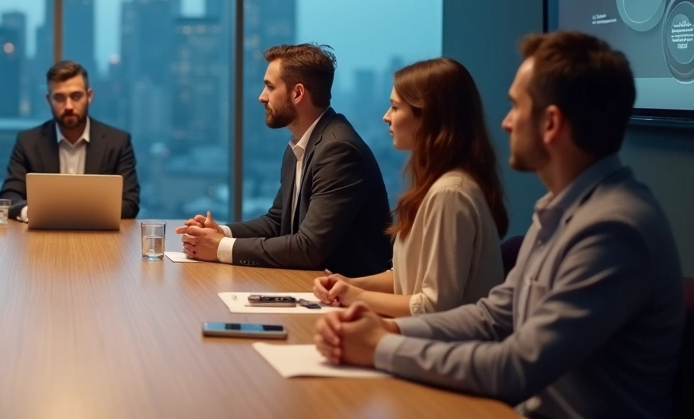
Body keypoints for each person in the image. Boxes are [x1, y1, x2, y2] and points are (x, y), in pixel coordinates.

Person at [315, 31, 684, 419]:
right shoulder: (560, 210)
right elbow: (494, 316)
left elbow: (516, 367)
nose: (506, 123)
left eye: (515, 106)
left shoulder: (613, 229)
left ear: (551, 123)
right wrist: (392, 332)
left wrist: (379, 348)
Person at [313, 57, 508, 317]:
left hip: (446, 352)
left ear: (427, 116)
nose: (386, 116)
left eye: (394, 107)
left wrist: (357, 297)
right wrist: (348, 284)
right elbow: (408, 279)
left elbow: (434, 307)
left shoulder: (450, 194)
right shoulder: (438, 186)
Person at [177, 44, 391, 276]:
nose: (262, 97)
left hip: (349, 296)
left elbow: (309, 248)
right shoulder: (301, 144)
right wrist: (222, 232)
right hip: (312, 283)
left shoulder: (339, 150)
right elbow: (278, 222)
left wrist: (220, 248)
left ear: (297, 93)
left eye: (270, 86)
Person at [0, 60, 140, 221]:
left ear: (89, 96)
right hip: (41, 240)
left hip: (99, 240)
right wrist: (31, 212)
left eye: (76, 96)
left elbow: (130, 203)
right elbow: (8, 198)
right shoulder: (28, 142)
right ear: (48, 100)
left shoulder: (118, 142)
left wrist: (70, 213)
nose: (69, 106)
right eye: (59, 98)